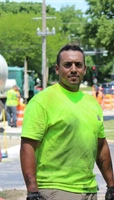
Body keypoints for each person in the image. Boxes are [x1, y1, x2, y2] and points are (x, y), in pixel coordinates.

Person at [20, 44, 114, 200]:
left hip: (89, 189)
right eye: (67, 65)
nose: (73, 69)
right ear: (57, 69)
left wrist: (111, 185)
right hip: (56, 190)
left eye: (78, 65)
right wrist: (32, 191)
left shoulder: (92, 103)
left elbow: (101, 146)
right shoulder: (42, 101)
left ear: (85, 69)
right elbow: (27, 147)